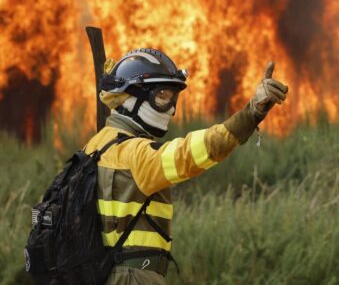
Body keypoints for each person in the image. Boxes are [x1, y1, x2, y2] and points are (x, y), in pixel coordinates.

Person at [84, 48, 288, 284]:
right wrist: (252, 113)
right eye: (162, 96)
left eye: (173, 99)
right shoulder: (136, 154)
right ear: (131, 97)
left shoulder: (94, 146)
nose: (171, 109)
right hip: (133, 277)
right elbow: (193, 152)